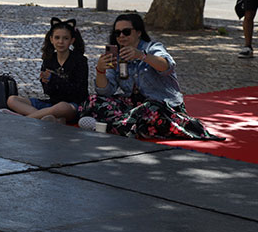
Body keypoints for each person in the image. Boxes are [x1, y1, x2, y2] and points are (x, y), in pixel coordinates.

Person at [79, 13, 220, 140]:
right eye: (117, 33)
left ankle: (108, 125)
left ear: (139, 32)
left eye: (126, 32)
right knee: (93, 100)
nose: (121, 36)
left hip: (162, 105)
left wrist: (142, 56)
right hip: (132, 105)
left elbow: (167, 66)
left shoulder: (153, 48)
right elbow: (105, 92)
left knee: (150, 111)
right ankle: (126, 126)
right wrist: (100, 70)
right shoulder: (116, 56)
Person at [5, 18, 87, 124]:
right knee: (12, 100)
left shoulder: (79, 60)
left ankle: (25, 119)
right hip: (51, 104)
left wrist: (54, 80)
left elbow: (79, 91)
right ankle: (47, 117)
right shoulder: (49, 59)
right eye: (57, 38)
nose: (60, 42)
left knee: (62, 107)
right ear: (51, 39)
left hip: (72, 106)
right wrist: (46, 81)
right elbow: (47, 91)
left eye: (65, 38)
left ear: (72, 40)